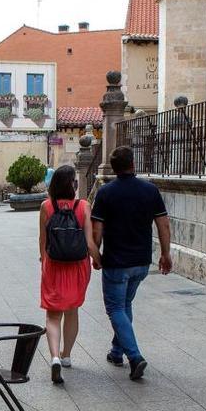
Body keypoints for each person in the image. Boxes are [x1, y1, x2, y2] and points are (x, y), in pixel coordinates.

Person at [91, 146, 172, 380]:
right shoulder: (150, 190)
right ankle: (116, 352)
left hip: (116, 261)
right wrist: (165, 253)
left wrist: (96, 254)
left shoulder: (105, 193)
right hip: (141, 262)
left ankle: (135, 357)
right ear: (133, 164)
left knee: (116, 308)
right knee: (125, 305)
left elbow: (97, 230)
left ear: (113, 168)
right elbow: (163, 224)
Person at [39, 165, 97, 384]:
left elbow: (42, 240)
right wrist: (99, 260)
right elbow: (89, 243)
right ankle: (66, 356)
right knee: (72, 312)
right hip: (78, 267)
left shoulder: (46, 206)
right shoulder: (83, 206)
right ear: (72, 184)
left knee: (53, 315)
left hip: (53, 265)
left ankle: (54, 357)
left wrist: (43, 261)